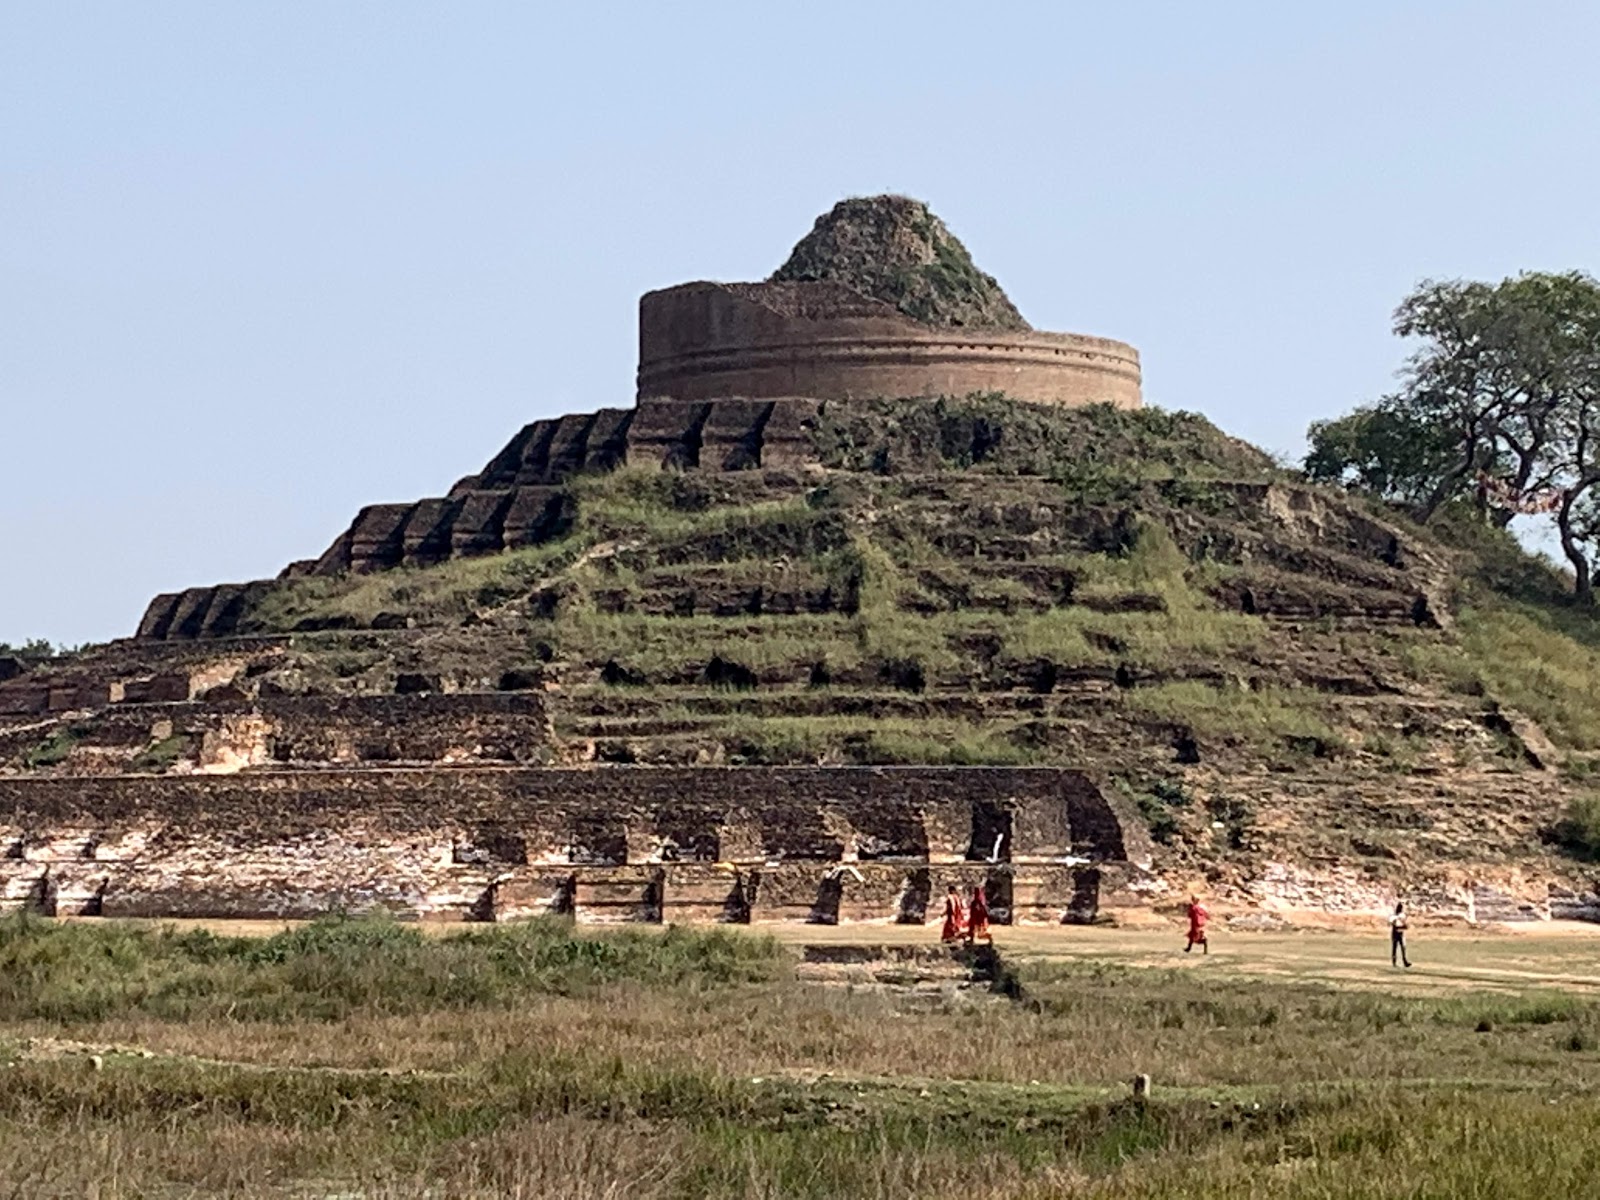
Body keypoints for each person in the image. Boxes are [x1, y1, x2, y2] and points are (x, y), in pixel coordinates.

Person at [1390, 901, 1412, 968]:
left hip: (1398, 932)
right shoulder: (1396, 916)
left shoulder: (1395, 916)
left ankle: (1399, 962)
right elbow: (1395, 924)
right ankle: (1400, 961)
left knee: (1398, 947)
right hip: (1397, 932)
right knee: (1399, 947)